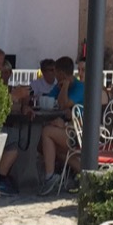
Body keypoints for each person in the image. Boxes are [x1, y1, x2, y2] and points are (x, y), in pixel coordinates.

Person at [0, 45, 30, 196]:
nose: (0, 67)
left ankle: (0, 178)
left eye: (1, 64)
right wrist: (13, 97)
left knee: (14, 140)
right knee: (12, 138)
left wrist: (24, 105)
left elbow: (4, 104)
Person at [38, 56, 85, 194]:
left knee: (47, 132)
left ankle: (50, 176)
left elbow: (63, 104)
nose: (55, 76)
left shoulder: (80, 88)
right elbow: (48, 100)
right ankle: (87, 173)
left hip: (79, 132)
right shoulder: (58, 86)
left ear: (61, 73)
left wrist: (64, 87)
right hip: (68, 129)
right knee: (50, 147)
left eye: (56, 73)